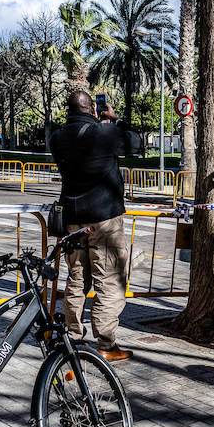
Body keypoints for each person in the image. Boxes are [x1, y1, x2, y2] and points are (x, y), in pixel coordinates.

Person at [48, 91, 142, 362]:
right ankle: (106, 343)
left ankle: (72, 337)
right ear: (92, 109)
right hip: (104, 218)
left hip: (72, 220)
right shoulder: (104, 133)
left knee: (76, 279)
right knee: (109, 281)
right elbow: (134, 144)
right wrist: (115, 121)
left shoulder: (57, 137)